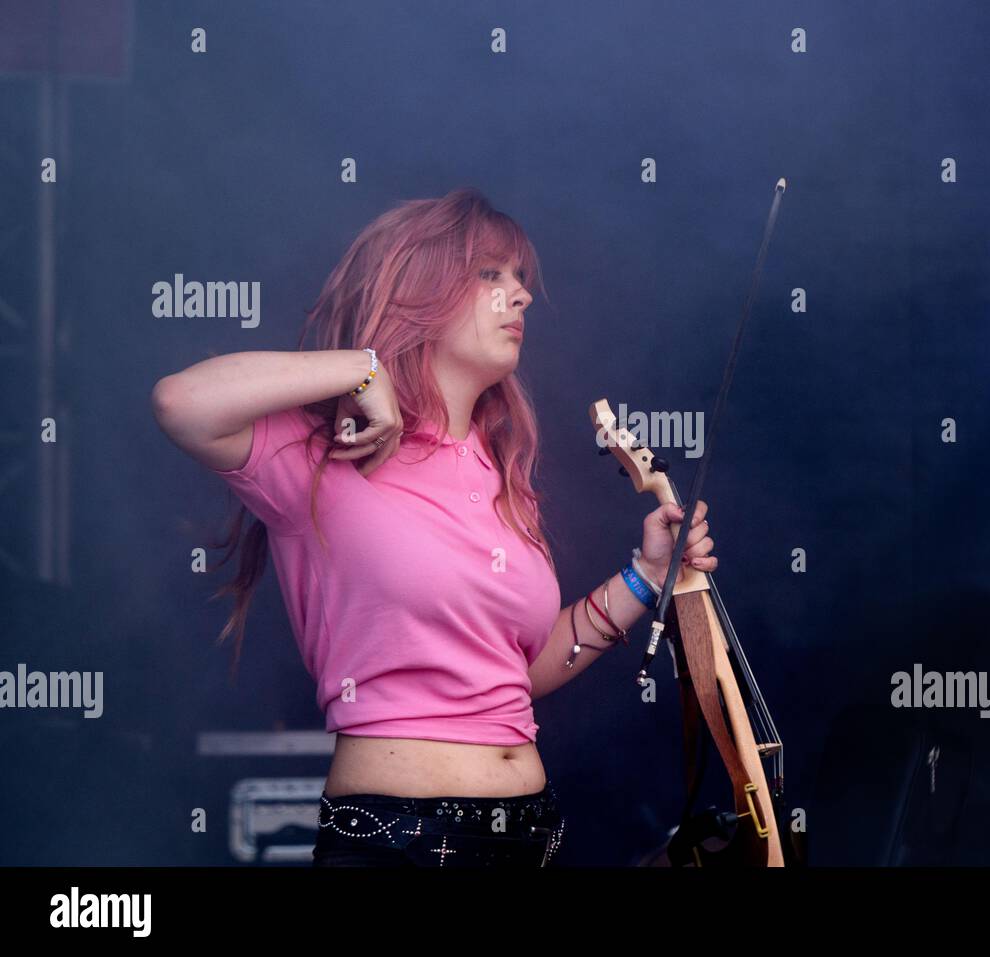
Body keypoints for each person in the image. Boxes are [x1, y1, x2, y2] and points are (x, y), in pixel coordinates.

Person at [150, 188, 716, 866]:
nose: (521, 295)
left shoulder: (501, 473)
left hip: (530, 833)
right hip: (399, 838)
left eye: (522, 280)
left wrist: (646, 574)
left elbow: (510, 674)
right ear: (422, 288)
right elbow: (181, 402)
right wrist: (360, 369)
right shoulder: (324, 454)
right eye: (491, 274)